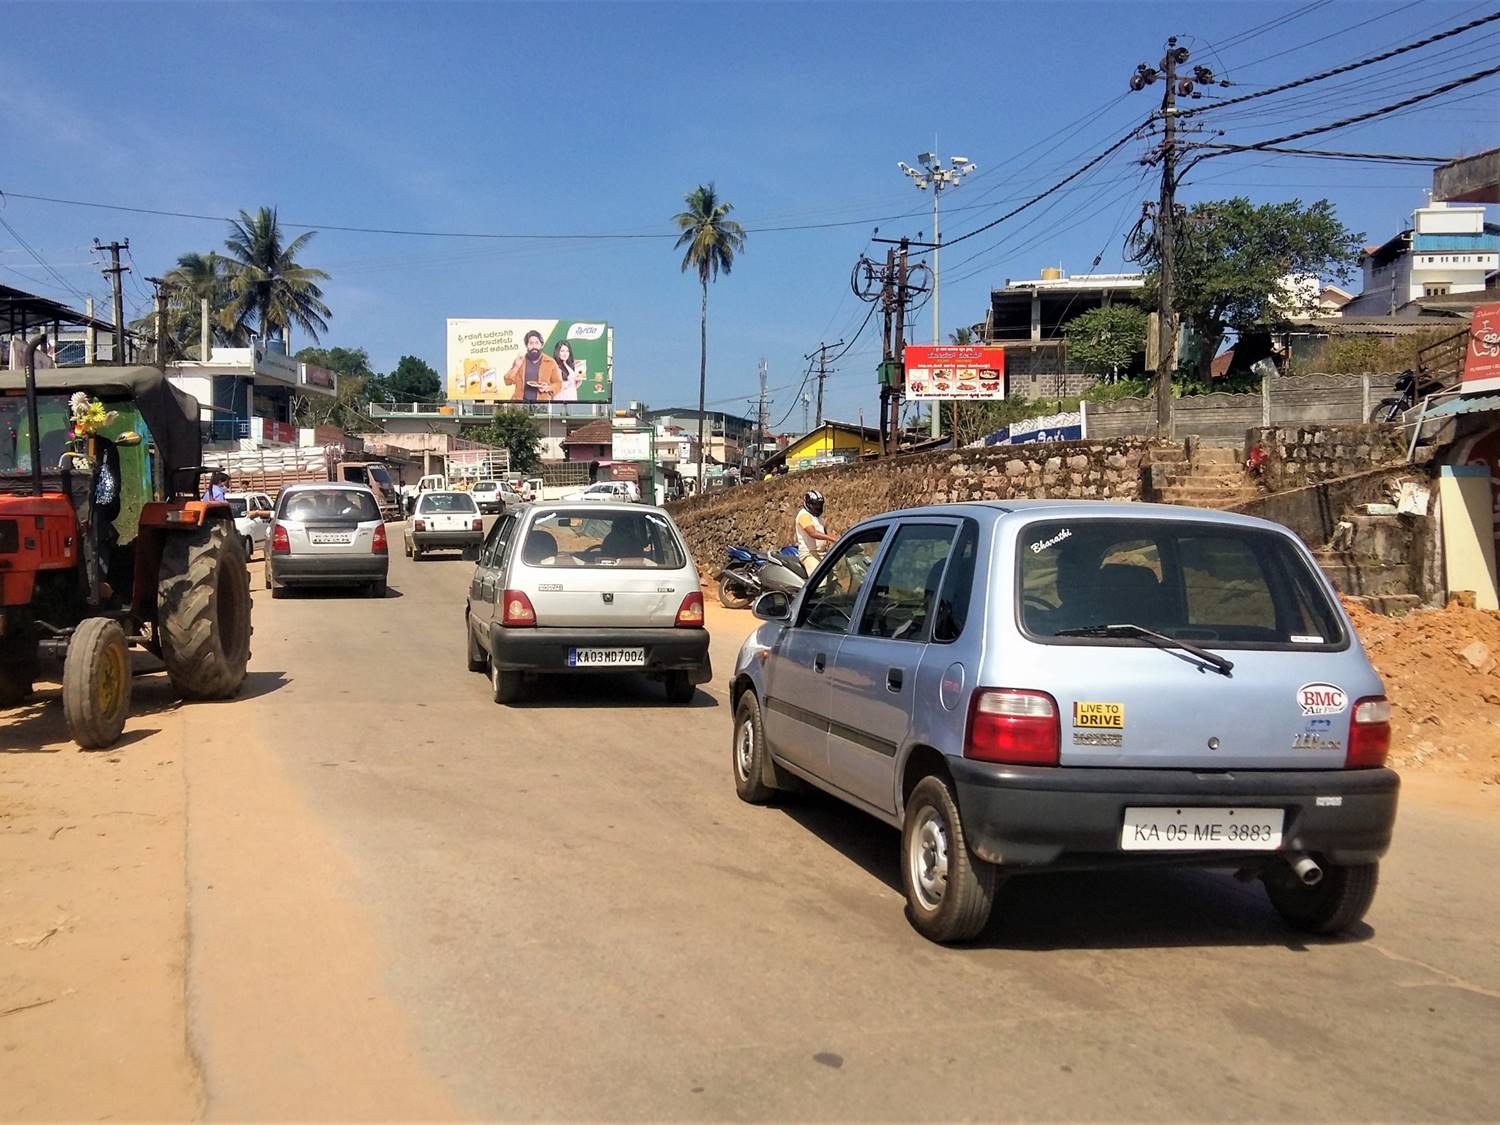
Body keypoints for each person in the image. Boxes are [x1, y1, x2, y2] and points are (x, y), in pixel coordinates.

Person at [503, 330, 562, 403]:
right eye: (531, 343)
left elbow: (558, 384)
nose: (534, 346)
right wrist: (516, 367)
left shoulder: (551, 362)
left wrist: (548, 388)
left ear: (541, 345)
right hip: (520, 405)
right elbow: (507, 381)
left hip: (541, 405)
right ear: (526, 346)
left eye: (537, 343)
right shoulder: (520, 361)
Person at [794, 489, 837, 569]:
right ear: (809, 504)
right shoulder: (804, 515)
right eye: (816, 505)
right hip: (809, 554)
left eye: (820, 505)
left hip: (822, 553)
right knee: (821, 579)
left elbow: (825, 532)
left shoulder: (818, 517)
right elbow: (812, 533)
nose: (818, 507)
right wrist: (831, 539)